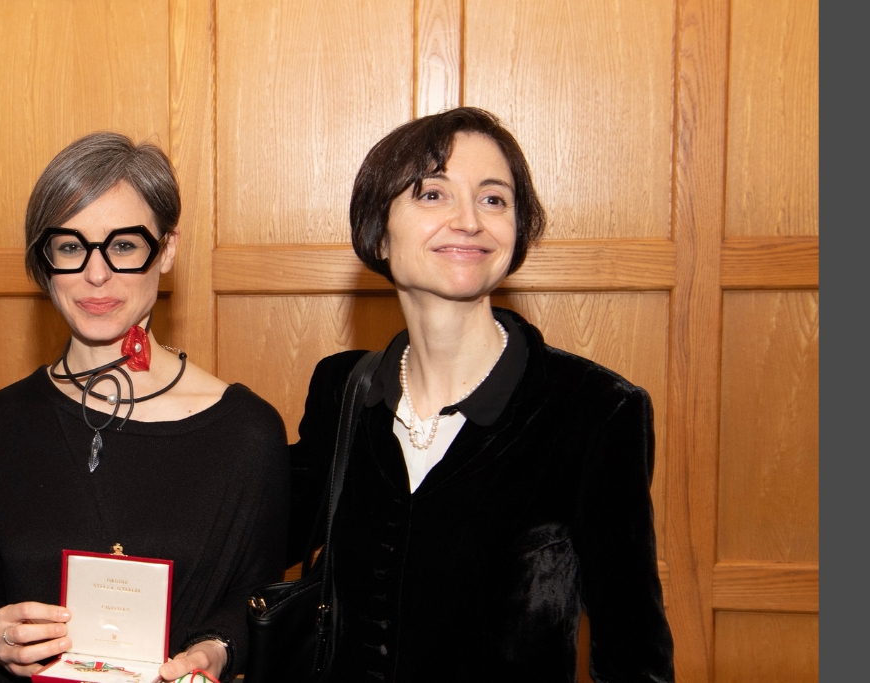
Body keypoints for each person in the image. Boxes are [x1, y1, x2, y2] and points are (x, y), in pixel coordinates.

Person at [286, 108, 674, 681]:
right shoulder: (343, 388)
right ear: (379, 231)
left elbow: (632, 651)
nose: (468, 220)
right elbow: (260, 537)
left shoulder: (597, 411)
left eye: (494, 200)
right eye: (433, 194)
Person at [0, 132, 289, 682]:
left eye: (125, 245)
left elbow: (256, 599)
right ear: (45, 260)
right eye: (70, 246)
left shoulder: (246, 433)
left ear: (168, 249)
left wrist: (217, 649)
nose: (96, 273)